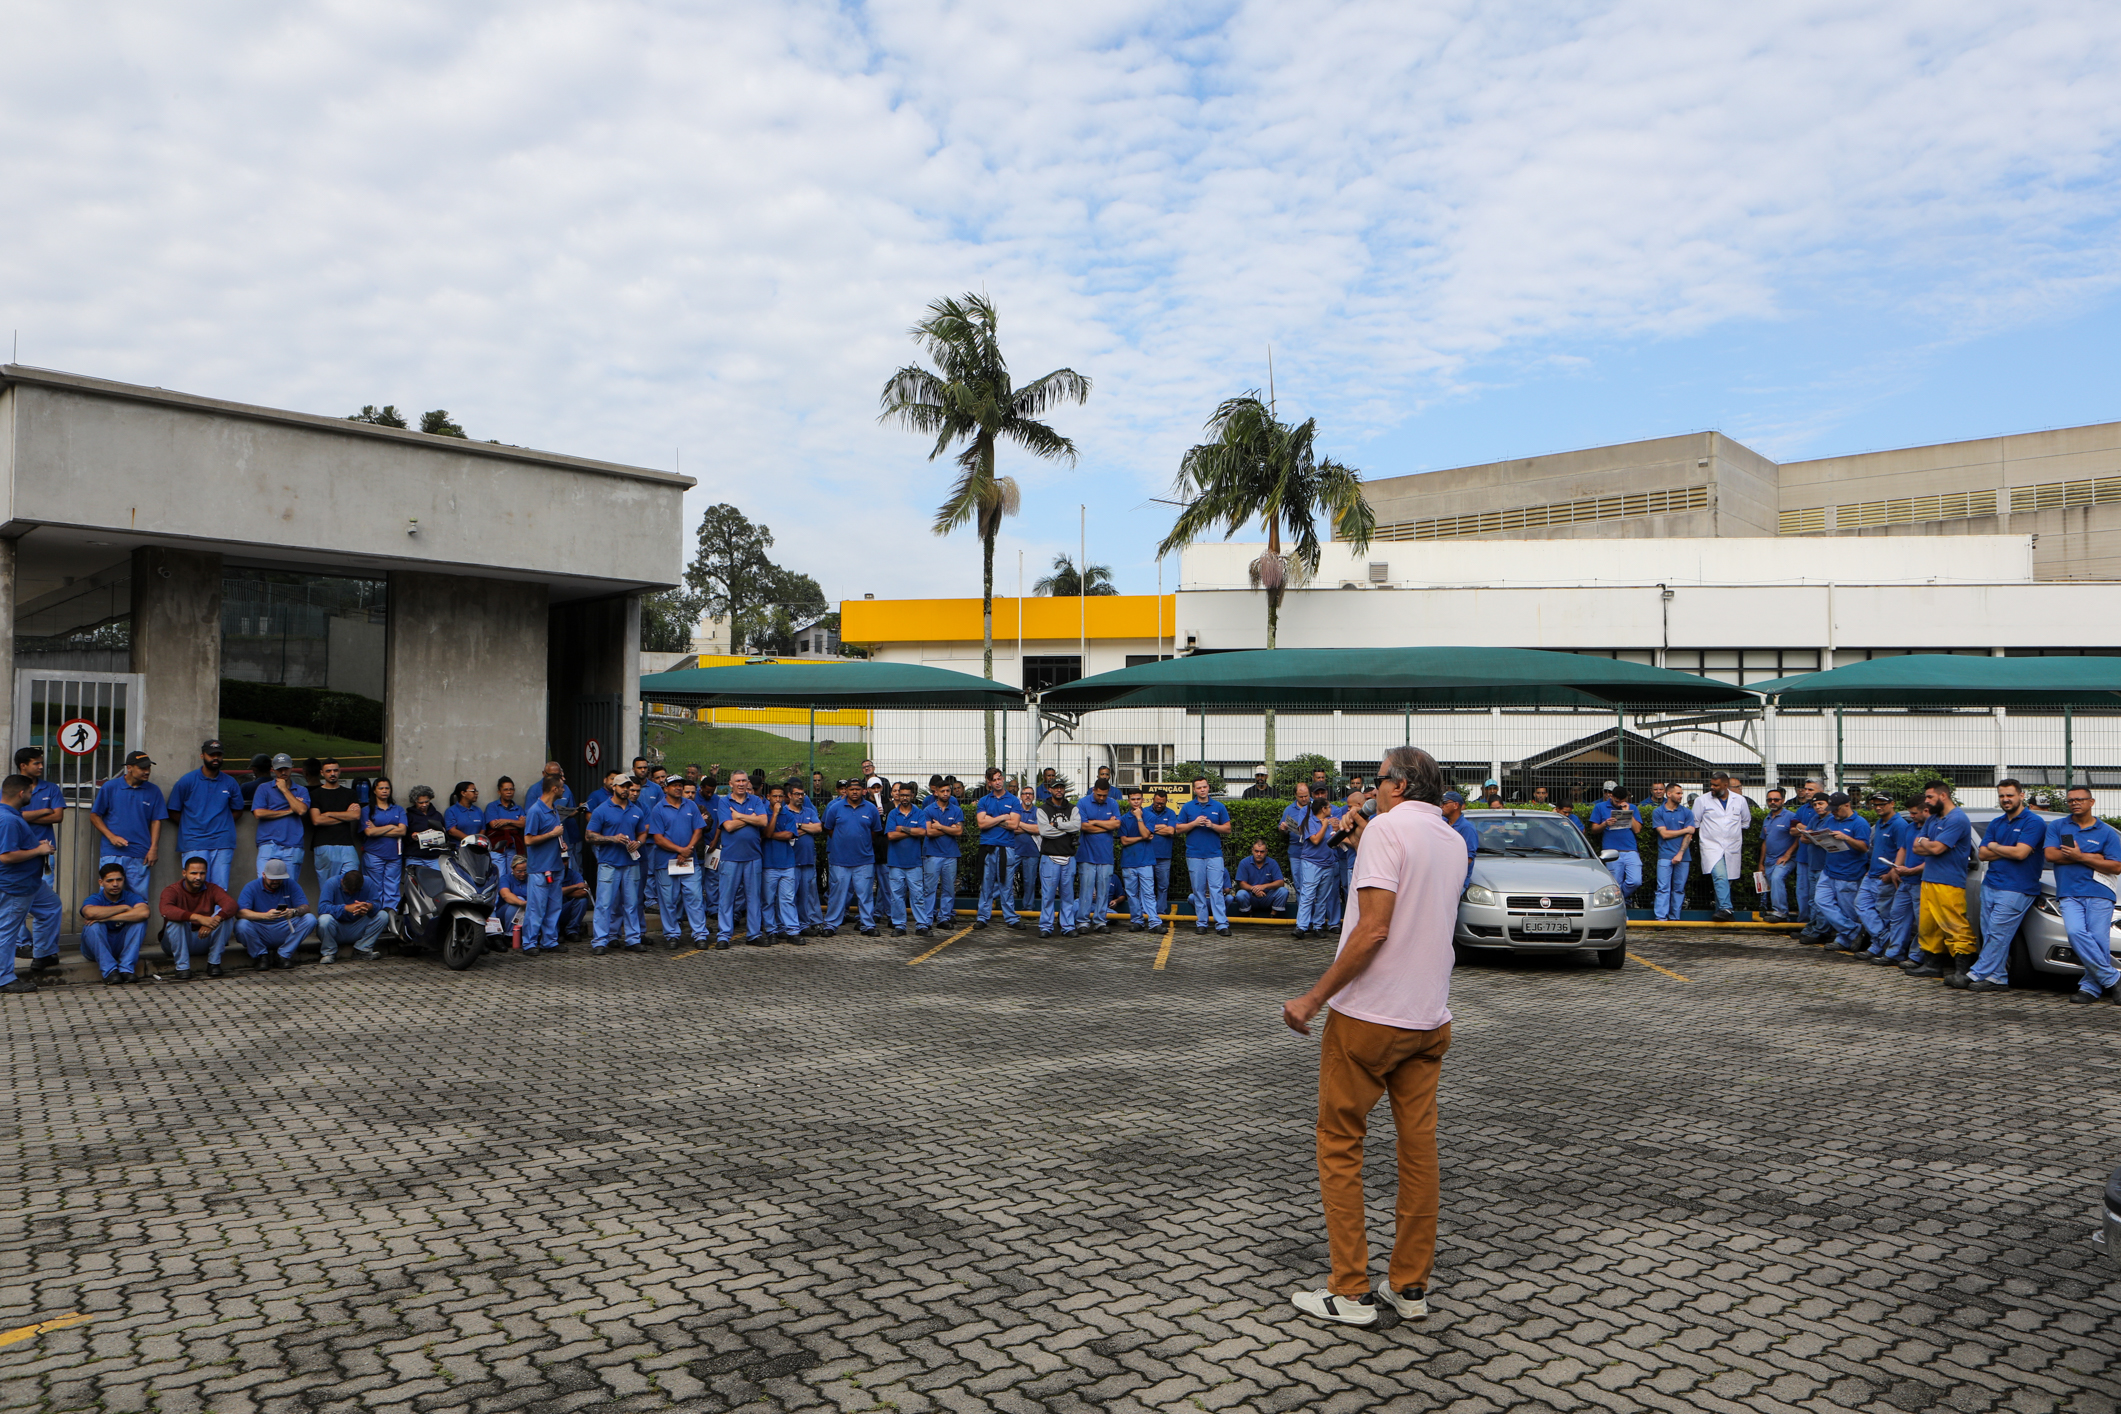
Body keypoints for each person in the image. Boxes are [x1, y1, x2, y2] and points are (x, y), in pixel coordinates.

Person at [1280, 746, 1457, 1327]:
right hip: (1428, 1018)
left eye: (1378, 780)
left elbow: (1374, 929)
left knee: (1339, 1142)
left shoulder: (1386, 829)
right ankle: (1408, 1286)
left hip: (1369, 1017)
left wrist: (1314, 996)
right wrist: (1361, 845)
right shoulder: (1451, 839)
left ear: (1400, 785)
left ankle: (1349, 1289)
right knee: (1418, 1153)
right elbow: (1412, 902)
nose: (1371, 788)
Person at [1960, 778, 2045, 991]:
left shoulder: (2033, 822)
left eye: (2010, 795)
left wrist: (1997, 847)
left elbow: (2021, 853)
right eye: (2002, 796)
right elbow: (1982, 852)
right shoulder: (1997, 822)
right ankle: (1997, 978)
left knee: (1998, 933)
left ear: (2021, 795)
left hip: (2017, 888)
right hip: (1991, 884)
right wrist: (2008, 849)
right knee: (1990, 934)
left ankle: (1976, 973)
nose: (2005, 800)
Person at [2042, 785, 2121, 1005]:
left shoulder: (2106, 832)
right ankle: (2114, 978)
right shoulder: (2060, 826)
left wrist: (2077, 855)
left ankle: (2089, 988)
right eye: (2071, 800)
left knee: (2098, 941)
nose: (2075, 803)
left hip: (2100, 892)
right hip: (2069, 892)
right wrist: (2092, 857)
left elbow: (2115, 866)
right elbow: (2051, 854)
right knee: (2076, 933)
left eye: (2080, 799)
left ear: (2091, 802)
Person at [1905, 780, 1975, 982]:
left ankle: (1962, 971)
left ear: (1943, 796)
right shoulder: (1933, 818)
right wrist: (1927, 843)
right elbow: (1916, 846)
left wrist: (1926, 843)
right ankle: (1932, 965)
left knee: (1954, 925)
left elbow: (1936, 849)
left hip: (1949, 881)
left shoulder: (1957, 819)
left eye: (1929, 797)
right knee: (1928, 925)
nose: (1926, 802)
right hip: (1929, 879)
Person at [0, 774, 60, 993]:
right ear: (21, 793)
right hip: (15, 885)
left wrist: (35, 844)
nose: (32, 796)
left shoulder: (10, 815)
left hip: (31, 884)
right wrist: (39, 850)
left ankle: (43, 954)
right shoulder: (8, 819)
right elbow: (6, 856)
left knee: (51, 906)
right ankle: (4, 979)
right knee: (7, 931)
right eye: (30, 792)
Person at [164, 740, 244, 890]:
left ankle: (219, 915)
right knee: (195, 887)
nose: (215, 758)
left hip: (222, 842)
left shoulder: (230, 782)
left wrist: (222, 822)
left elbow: (238, 810)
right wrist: (192, 824)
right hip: (194, 842)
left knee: (220, 889)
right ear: (202, 755)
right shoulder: (187, 781)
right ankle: (196, 915)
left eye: (219, 755)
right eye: (211, 754)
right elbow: (172, 810)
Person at [90, 750, 165, 895]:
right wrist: (111, 837)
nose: (147, 771)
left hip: (140, 853)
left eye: (148, 768)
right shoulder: (110, 787)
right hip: (112, 853)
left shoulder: (154, 791)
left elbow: (156, 821)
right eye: (142, 768)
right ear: (129, 768)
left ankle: (138, 919)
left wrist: (154, 848)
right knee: (108, 896)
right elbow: (94, 816)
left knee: (139, 898)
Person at [647, 774, 709, 948]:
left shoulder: (691, 805)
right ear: (665, 788)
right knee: (668, 900)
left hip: (690, 861)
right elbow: (658, 838)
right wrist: (680, 850)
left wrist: (688, 848)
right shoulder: (658, 809)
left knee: (695, 898)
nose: (678, 788)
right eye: (673, 785)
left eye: (680, 785)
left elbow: (698, 829)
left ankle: (700, 934)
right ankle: (672, 935)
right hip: (666, 862)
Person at [1805, 793, 1872, 953]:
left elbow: (1864, 848)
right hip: (1829, 869)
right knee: (1821, 900)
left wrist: (1846, 838)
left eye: (1836, 809)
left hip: (1849, 873)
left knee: (1847, 909)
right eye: (1832, 809)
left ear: (1847, 805)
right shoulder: (1831, 820)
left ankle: (1844, 938)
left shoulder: (1860, 823)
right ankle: (1854, 931)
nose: (1833, 812)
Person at [586, 778, 647, 954]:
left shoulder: (636, 810)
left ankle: (633, 939)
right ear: (614, 787)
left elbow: (643, 832)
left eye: (629, 787)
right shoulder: (602, 809)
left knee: (632, 903)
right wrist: (612, 839)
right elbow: (589, 836)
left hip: (630, 863)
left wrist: (639, 843)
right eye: (622, 786)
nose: (626, 790)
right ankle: (599, 941)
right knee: (604, 904)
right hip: (609, 863)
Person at [714, 772, 771, 946]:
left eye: (743, 781)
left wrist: (739, 816)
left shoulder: (755, 800)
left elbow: (763, 822)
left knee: (754, 897)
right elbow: (729, 826)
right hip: (730, 857)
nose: (741, 784)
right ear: (730, 783)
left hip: (753, 857)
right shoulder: (723, 802)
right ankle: (724, 935)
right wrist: (752, 819)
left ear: (748, 783)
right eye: (737, 781)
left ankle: (753, 935)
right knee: (726, 898)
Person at [158, 854, 235, 980]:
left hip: (203, 938)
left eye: (202, 873)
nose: (198, 877)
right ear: (184, 873)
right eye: (193, 873)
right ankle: (182, 968)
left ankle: (214, 964)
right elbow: (166, 910)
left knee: (226, 916)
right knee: (176, 921)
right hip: (175, 942)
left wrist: (214, 920)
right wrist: (198, 918)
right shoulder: (172, 890)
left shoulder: (212, 889)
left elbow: (231, 904)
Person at [1855, 792, 1911, 964]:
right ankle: (1884, 940)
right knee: (1861, 904)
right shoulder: (1879, 823)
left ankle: (1879, 947)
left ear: (1892, 803)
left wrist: (1891, 873)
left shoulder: (1899, 825)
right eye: (1874, 804)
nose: (1878, 807)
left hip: (1885, 877)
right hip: (1871, 874)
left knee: (1884, 914)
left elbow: (1904, 850)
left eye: (1882, 803)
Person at [519, 775, 572, 953]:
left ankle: (550, 941)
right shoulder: (535, 811)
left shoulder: (554, 809)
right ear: (554, 789)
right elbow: (528, 840)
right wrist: (552, 834)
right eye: (562, 787)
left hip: (556, 866)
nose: (564, 790)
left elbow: (554, 834)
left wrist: (560, 842)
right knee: (536, 907)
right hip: (540, 869)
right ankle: (529, 943)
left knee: (554, 906)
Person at [822, 779, 882, 936]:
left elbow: (875, 831)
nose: (854, 791)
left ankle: (867, 925)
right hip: (839, 860)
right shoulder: (834, 808)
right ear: (846, 791)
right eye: (851, 789)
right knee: (836, 894)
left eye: (857, 789)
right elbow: (829, 829)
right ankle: (831, 925)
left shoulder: (871, 809)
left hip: (864, 860)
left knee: (865, 895)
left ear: (863, 790)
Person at [1176, 776, 1233, 935]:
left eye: (1204, 787)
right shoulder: (1187, 807)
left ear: (1208, 788)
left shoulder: (1219, 806)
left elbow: (1227, 829)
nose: (1202, 790)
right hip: (1194, 855)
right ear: (1194, 790)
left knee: (1216, 889)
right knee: (1198, 890)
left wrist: (1212, 825)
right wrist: (1194, 823)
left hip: (1214, 855)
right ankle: (1201, 923)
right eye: (1199, 787)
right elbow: (1178, 829)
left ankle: (1222, 924)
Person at [235, 857, 314, 969]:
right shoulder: (251, 887)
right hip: (261, 927)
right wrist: (265, 916)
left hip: (284, 926)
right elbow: (240, 913)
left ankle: (283, 955)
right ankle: (261, 956)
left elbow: (306, 907)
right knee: (241, 925)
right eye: (272, 878)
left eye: (279, 878)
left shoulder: (290, 884)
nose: (276, 881)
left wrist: (293, 912)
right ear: (263, 875)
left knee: (310, 919)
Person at [1692, 772, 1750, 922]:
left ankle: (1721, 913)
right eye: (1712, 784)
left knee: (1726, 880)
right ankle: (1726, 908)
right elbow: (1695, 823)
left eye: (1716, 785)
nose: (1713, 787)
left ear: (1726, 785)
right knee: (1720, 875)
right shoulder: (1702, 800)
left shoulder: (1740, 800)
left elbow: (1745, 822)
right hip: (1711, 846)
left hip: (1732, 846)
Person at [974, 768, 1028, 930]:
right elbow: (981, 824)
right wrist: (1003, 817)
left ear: (1002, 778)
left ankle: (1011, 918)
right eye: (994, 780)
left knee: (1006, 884)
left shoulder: (1012, 800)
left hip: (1007, 848)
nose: (997, 782)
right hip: (987, 848)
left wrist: (992, 820)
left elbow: (1014, 824)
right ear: (988, 782)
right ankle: (982, 917)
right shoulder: (984, 800)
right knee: (986, 884)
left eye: (999, 778)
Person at [79, 862, 149, 983]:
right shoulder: (96, 898)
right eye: (110, 881)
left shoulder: (131, 897)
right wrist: (123, 908)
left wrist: (108, 918)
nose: (115, 884)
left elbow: (144, 913)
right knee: (93, 925)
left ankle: (126, 969)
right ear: (101, 882)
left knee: (140, 922)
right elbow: (89, 913)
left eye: (119, 880)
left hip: (120, 945)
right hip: (94, 949)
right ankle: (110, 971)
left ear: (124, 880)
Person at [250, 753, 310, 881]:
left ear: (292, 767)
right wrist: (288, 811)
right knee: (264, 885)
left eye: (286, 768)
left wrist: (284, 790)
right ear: (273, 770)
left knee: (289, 888)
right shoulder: (264, 788)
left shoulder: (301, 790)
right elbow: (258, 813)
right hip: (268, 844)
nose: (283, 772)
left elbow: (301, 810)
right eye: (279, 769)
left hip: (293, 846)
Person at [759, 784, 805, 947]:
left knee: (787, 899)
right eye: (774, 796)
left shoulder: (789, 814)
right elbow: (766, 832)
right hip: (768, 865)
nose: (777, 800)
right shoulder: (763, 812)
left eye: (780, 796)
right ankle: (771, 931)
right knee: (768, 900)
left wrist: (771, 835)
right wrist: (775, 815)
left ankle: (792, 930)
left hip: (787, 864)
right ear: (769, 797)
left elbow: (788, 834)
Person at [882, 783, 931, 937]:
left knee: (918, 895)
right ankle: (899, 925)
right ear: (897, 795)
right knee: (897, 896)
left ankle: (922, 925)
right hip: (895, 862)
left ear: (912, 796)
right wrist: (911, 831)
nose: (904, 798)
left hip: (914, 862)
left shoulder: (919, 813)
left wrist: (901, 828)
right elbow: (890, 835)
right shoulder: (892, 814)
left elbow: (923, 832)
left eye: (907, 795)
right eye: (901, 795)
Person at [317, 866, 392, 963]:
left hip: (358, 927)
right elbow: (322, 908)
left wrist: (369, 906)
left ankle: (362, 949)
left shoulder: (368, 882)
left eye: (354, 892)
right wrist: (346, 908)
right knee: (324, 920)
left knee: (383, 915)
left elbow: (377, 904)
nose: (350, 894)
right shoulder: (331, 883)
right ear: (342, 881)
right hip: (337, 928)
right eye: (347, 891)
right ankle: (329, 952)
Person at [1074, 779, 1121, 934]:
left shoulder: (1113, 803)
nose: (1102, 798)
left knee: (1103, 891)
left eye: (1104, 795)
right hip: (1086, 855)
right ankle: (1083, 922)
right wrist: (1105, 825)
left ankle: (1100, 921)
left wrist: (1094, 822)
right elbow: (1083, 826)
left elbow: (1116, 825)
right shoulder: (1082, 803)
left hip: (1106, 856)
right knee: (1086, 890)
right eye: (1099, 795)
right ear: (1093, 790)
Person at [307, 758, 363, 887]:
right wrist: (345, 815)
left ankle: (346, 907)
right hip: (323, 844)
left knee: (352, 881)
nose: (332, 773)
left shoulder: (350, 793)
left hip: (346, 844)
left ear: (340, 771)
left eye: (335, 770)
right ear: (322, 773)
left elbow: (355, 815)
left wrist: (329, 813)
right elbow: (317, 820)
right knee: (329, 886)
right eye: (328, 771)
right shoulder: (315, 794)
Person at [782, 779, 825, 939]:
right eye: (797, 794)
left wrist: (799, 826)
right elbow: (788, 831)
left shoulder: (809, 811)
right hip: (790, 861)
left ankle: (805, 924)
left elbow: (818, 827)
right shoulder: (784, 812)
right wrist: (807, 828)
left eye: (802, 794)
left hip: (808, 859)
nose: (800, 797)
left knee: (806, 895)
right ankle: (790, 926)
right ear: (790, 795)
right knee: (790, 896)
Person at [1036, 786, 1081, 937]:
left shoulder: (1073, 808)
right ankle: (1046, 926)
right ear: (1050, 790)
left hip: (1069, 857)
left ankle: (1067, 926)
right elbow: (1043, 831)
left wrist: (1056, 825)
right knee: (1048, 895)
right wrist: (1067, 830)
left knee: (1067, 895)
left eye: (1061, 788)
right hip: (1049, 857)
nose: (1059, 790)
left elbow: (1077, 826)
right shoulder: (1042, 810)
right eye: (1056, 788)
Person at [923, 776, 966, 930]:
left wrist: (940, 826)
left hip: (950, 855)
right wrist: (950, 829)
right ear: (936, 793)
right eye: (943, 791)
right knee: (930, 888)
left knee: (948, 888)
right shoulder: (928, 810)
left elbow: (959, 831)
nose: (946, 793)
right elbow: (928, 832)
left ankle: (944, 918)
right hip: (932, 855)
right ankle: (927, 919)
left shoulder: (956, 810)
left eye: (949, 790)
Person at [1588, 787, 1642, 904]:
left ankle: (1619, 899)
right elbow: (1594, 829)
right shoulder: (1600, 807)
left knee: (1636, 880)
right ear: (1611, 796)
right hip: (1611, 851)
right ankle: (1621, 904)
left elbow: (1637, 830)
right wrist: (1605, 823)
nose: (1619, 804)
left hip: (1631, 850)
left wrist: (1628, 813)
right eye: (1616, 801)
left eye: (1621, 801)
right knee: (1615, 883)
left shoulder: (1632, 808)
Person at [360, 777, 407, 908]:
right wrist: (392, 826)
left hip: (394, 856)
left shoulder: (398, 809)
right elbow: (369, 833)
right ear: (374, 791)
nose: (384, 791)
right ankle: (378, 918)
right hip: (374, 854)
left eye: (387, 788)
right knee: (375, 889)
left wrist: (377, 829)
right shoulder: (367, 810)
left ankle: (391, 919)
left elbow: (402, 831)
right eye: (381, 788)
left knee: (393, 890)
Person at [1650, 784, 1695, 921]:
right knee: (1663, 888)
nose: (1681, 796)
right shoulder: (1658, 812)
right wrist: (1685, 830)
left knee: (1679, 889)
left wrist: (1680, 853)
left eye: (1681, 793)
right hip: (1664, 855)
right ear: (1669, 794)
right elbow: (1664, 834)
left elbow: (1690, 836)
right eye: (1678, 793)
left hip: (1684, 857)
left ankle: (1675, 918)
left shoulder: (1687, 812)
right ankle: (1661, 918)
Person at [1117, 788, 1158, 931]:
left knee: (1148, 892)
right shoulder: (1123, 819)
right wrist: (1142, 838)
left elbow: (1147, 833)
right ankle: (1137, 921)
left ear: (1143, 800)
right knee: (1132, 893)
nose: (1136, 802)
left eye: (1138, 799)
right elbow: (1124, 841)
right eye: (1133, 799)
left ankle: (1154, 922)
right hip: (1128, 862)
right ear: (1128, 801)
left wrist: (1139, 817)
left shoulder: (1150, 816)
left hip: (1146, 861)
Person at [1281, 784, 1317, 936]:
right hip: (1296, 852)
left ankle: (1315, 921)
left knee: (1313, 887)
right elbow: (1281, 826)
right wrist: (1283, 827)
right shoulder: (1289, 810)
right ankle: (1305, 921)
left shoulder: (1316, 806)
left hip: (1313, 853)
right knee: (1300, 887)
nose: (1304, 799)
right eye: (1301, 796)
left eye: (1306, 796)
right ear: (1295, 796)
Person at [1759, 789, 1797, 922]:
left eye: (1776, 799)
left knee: (1776, 878)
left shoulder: (1791, 817)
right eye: (1770, 800)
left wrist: (1787, 855)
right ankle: (1780, 915)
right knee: (1771, 882)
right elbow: (1765, 841)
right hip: (1769, 860)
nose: (1773, 802)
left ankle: (1781, 912)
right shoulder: (1767, 818)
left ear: (1783, 800)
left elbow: (1798, 838)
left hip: (1786, 859)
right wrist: (1761, 863)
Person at [1144, 788, 1180, 920]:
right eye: (1157, 803)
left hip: (1164, 857)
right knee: (1147, 886)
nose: (1159, 805)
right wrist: (1161, 827)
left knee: (1163, 886)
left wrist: (1152, 828)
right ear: (1153, 800)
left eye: (1162, 803)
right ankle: (1147, 912)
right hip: (1147, 856)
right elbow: (1143, 830)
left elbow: (1171, 831)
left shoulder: (1171, 813)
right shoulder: (1145, 811)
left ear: (1166, 802)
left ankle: (1161, 912)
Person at [1230, 839, 1289, 919]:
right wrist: (1255, 889)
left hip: (1268, 896)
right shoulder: (1244, 862)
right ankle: (1250, 914)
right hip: (1251, 896)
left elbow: (1280, 882)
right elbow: (1242, 884)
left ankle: (1273, 915)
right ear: (1252, 850)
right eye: (1256, 851)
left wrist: (1264, 886)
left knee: (1283, 891)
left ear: (1266, 851)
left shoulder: (1272, 863)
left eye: (1262, 852)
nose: (1259, 854)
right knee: (1240, 894)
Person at [483, 776, 528, 866]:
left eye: (511, 789)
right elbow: (494, 825)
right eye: (505, 789)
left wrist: (506, 821)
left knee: (512, 874)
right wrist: (516, 823)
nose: (509, 792)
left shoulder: (518, 808)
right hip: (497, 846)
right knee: (500, 874)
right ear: (499, 792)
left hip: (514, 846)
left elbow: (523, 824)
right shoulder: (492, 806)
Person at [404, 786, 449, 865]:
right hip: (415, 856)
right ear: (414, 802)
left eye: (426, 802)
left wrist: (443, 832)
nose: (424, 805)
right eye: (420, 803)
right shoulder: (409, 816)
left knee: (437, 877)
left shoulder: (437, 815)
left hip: (434, 857)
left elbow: (447, 838)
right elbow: (403, 836)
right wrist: (411, 836)